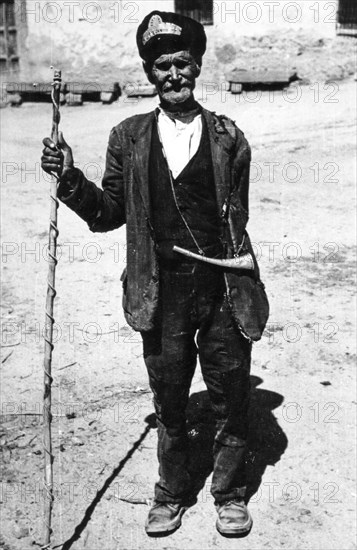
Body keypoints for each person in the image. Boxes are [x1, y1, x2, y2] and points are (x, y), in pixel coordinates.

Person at [41, 10, 268, 537]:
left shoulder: (229, 138)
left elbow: (239, 219)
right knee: (169, 398)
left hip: (222, 289)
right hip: (160, 291)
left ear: (198, 67)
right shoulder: (128, 137)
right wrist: (69, 177)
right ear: (150, 73)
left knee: (230, 393)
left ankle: (230, 494)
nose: (174, 75)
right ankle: (171, 491)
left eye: (183, 64)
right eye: (162, 66)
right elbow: (108, 214)